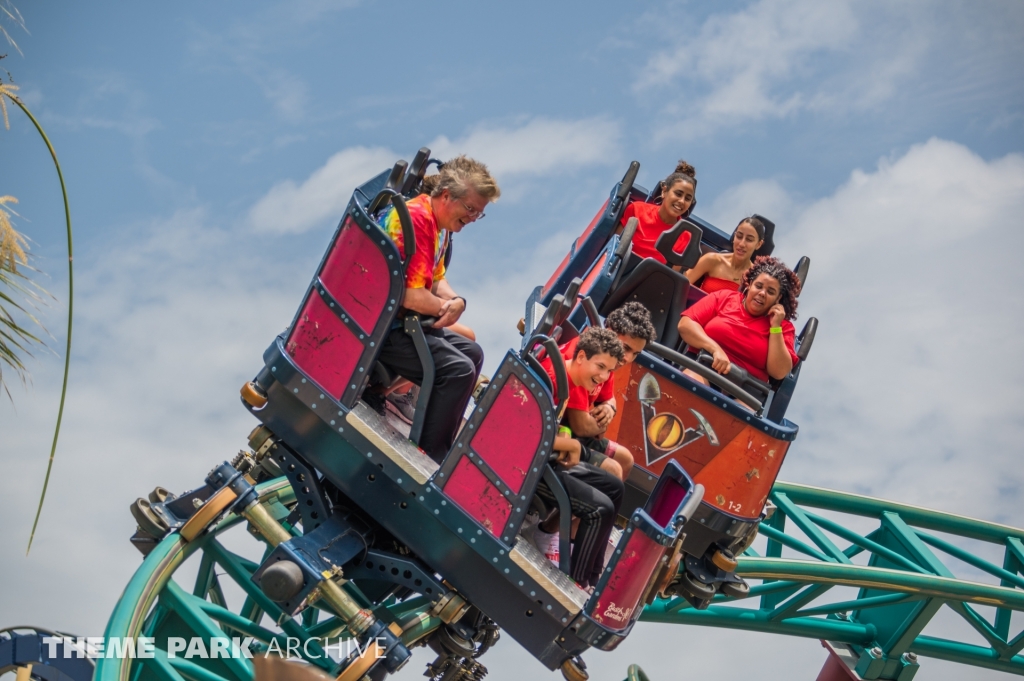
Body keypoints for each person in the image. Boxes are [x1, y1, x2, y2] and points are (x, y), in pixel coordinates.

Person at [373, 156, 500, 463]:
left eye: (478, 214)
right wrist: (446, 307)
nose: (471, 218)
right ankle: (430, 459)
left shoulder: (440, 227)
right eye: (469, 209)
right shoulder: (417, 219)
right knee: (457, 371)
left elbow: (437, 278)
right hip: (381, 325)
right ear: (446, 196)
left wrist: (457, 302)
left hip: (402, 320)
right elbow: (412, 297)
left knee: (472, 353)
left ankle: (438, 441)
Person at [534, 327, 626, 588]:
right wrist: (570, 444)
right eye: (600, 366)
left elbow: (550, 424)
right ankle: (577, 582)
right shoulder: (553, 378)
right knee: (600, 509)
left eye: (609, 371)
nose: (603, 376)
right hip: (531, 464)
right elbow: (528, 430)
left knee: (615, 487)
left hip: (547, 455)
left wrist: (567, 442)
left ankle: (594, 576)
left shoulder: (569, 383)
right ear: (582, 356)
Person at [677, 256, 801, 384]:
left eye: (770, 291)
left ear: (778, 298)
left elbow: (779, 372)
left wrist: (775, 326)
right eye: (758, 286)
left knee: (739, 405)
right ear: (750, 284)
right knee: (692, 386)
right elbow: (685, 325)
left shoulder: (783, 327)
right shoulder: (724, 297)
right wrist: (715, 349)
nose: (762, 293)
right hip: (702, 366)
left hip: (745, 388)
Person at [568, 302, 657, 481]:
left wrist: (609, 408)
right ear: (608, 332)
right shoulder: (587, 355)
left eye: (636, 354)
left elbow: (609, 399)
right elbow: (582, 426)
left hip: (577, 432)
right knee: (613, 470)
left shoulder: (609, 360)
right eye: (626, 348)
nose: (627, 358)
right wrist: (602, 423)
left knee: (625, 460)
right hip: (563, 432)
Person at [619, 160, 697, 265]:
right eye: (678, 194)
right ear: (664, 191)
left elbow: (672, 274)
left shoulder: (686, 236)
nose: (682, 201)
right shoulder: (637, 209)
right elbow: (613, 245)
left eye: (687, 198)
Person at [684, 216, 766, 293]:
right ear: (734, 237)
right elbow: (680, 286)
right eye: (739, 236)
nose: (741, 244)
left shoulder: (754, 279)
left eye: (749, 240)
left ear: (758, 244)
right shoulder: (712, 260)